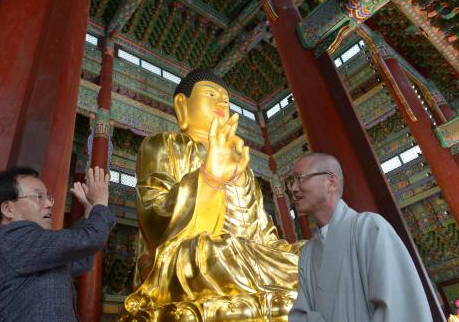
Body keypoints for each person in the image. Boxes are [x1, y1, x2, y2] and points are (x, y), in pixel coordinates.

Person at [120, 69, 305, 322]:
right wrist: (209, 176)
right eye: (210, 94)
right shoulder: (163, 144)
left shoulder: (242, 164)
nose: (221, 103)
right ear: (182, 106)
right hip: (189, 257)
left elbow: (263, 236)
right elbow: (154, 220)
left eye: (227, 101)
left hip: (245, 257)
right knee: (219, 252)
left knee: (303, 257)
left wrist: (239, 179)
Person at [288, 153, 432, 322]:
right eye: (292, 182)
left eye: (300, 178)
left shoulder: (369, 227)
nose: (293, 188)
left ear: (331, 182)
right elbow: (301, 314)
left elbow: (396, 307)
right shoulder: (308, 253)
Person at [0, 165, 117, 322]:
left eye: (48, 197)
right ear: (9, 209)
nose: (50, 204)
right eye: (38, 197)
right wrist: (99, 202)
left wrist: (90, 209)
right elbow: (92, 238)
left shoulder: (29, 251)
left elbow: (81, 261)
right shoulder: (8, 240)